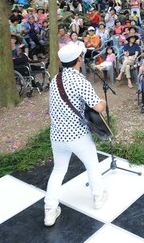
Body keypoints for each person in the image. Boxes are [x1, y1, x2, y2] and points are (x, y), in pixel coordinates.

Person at [43, 43, 107, 227]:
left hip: (57, 136)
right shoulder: (80, 81)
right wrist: (102, 101)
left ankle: (49, 210)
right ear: (79, 59)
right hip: (77, 135)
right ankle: (97, 197)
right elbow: (98, 107)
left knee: (58, 170)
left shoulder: (56, 79)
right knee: (92, 164)